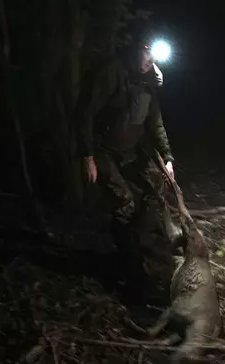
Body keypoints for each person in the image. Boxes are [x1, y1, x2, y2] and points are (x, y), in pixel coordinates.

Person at [74, 41, 182, 277]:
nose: (149, 62)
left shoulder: (149, 83)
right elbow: (85, 111)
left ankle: (146, 249)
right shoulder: (113, 73)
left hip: (130, 152)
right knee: (124, 203)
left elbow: (156, 123)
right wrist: (87, 155)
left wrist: (168, 157)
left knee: (154, 192)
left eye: (153, 60)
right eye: (147, 56)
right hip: (102, 149)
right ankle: (126, 263)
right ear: (138, 50)